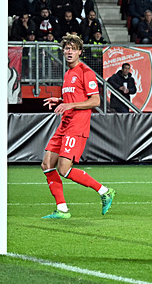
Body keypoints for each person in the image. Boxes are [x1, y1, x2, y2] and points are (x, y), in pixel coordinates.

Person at [41, 33, 115, 219]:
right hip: (64, 124)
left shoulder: (85, 72)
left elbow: (95, 101)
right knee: (47, 164)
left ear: (80, 52)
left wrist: (70, 104)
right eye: (67, 48)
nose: (69, 52)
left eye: (73, 49)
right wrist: (60, 100)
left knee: (64, 169)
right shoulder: (68, 74)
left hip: (77, 126)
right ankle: (62, 209)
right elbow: (74, 98)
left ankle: (104, 191)